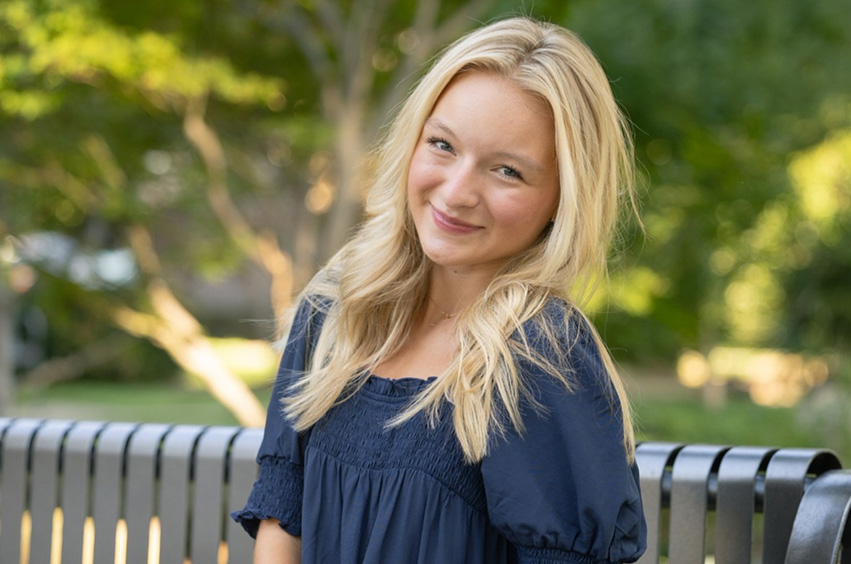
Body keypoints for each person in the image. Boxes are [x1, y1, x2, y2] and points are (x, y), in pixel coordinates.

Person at [233, 16, 647, 564]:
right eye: (443, 145)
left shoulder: (541, 356)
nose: (456, 192)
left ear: (562, 198)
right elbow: (282, 518)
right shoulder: (335, 308)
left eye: (507, 171)